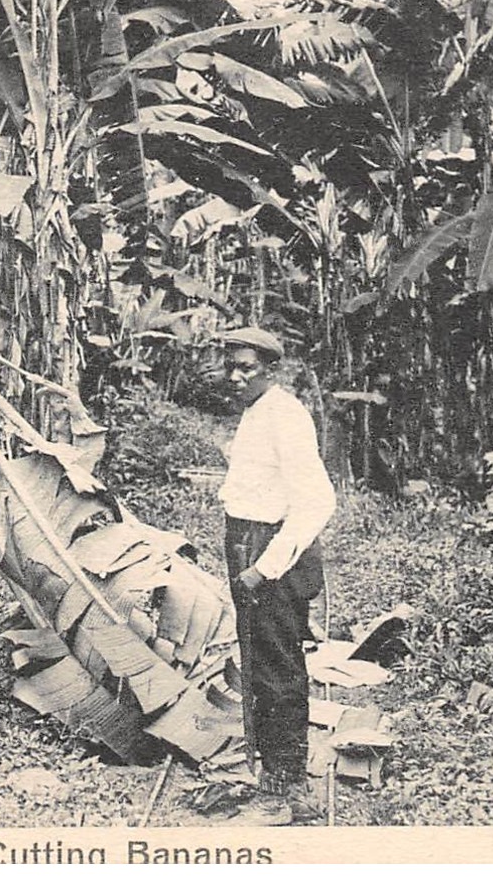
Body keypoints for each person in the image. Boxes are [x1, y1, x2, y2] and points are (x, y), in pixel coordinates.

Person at [216, 326, 336, 824]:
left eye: (247, 367)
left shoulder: (285, 415)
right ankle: (273, 777)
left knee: (277, 667)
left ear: (273, 369)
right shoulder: (257, 412)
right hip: (248, 541)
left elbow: (316, 502)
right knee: (260, 662)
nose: (237, 375)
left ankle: (290, 791)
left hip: (271, 554)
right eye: (232, 366)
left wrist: (263, 569)